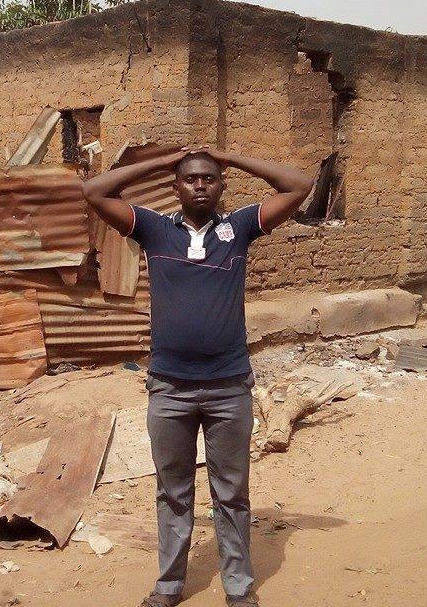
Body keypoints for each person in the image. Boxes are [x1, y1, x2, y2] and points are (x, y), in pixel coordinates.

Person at [82, 147, 313, 606]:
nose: (200, 184)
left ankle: (238, 587)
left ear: (222, 184)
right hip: (169, 387)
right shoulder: (154, 229)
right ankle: (169, 585)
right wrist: (162, 163)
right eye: (190, 179)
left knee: (232, 494)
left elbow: (299, 187)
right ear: (177, 187)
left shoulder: (239, 229)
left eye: (209, 177)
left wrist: (233, 156)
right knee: (173, 492)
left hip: (229, 386)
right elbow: (94, 190)